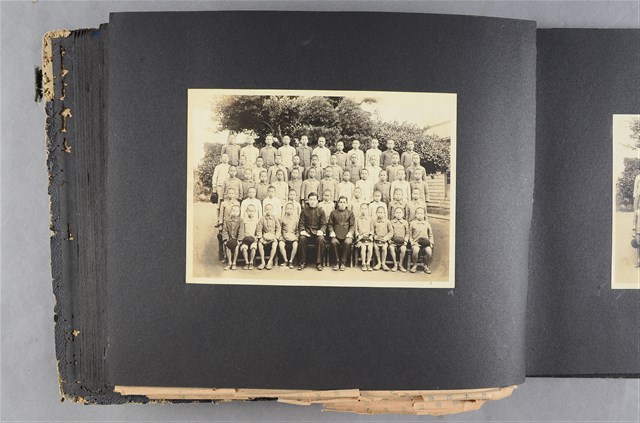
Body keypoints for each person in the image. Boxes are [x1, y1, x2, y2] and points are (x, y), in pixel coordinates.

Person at [297, 192, 327, 271]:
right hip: (307, 233)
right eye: (311, 199)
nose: (312, 201)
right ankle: (302, 262)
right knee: (302, 238)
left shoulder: (321, 211)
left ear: (317, 201)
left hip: (317, 233)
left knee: (321, 239)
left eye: (314, 200)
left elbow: (324, 224)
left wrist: (321, 230)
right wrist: (302, 230)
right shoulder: (304, 211)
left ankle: (319, 263)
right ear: (308, 201)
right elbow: (301, 223)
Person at [328, 196, 355, 271]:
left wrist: (350, 232)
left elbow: (352, 225)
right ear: (338, 203)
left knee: (348, 242)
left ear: (346, 204)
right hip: (336, 235)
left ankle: (343, 262)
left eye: (344, 202)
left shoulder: (350, 213)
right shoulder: (333, 213)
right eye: (341, 202)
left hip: (347, 235)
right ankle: (336, 262)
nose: (342, 204)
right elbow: (330, 224)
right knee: (334, 242)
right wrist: (331, 231)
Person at [410, 207, 434, 274]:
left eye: (421, 213)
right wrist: (412, 243)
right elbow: (410, 235)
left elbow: (430, 235)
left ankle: (425, 266)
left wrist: (430, 243)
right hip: (416, 243)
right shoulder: (412, 223)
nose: (420, 215)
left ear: (424, 215)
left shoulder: (427, 224)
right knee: (415, 250)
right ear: (415, 215)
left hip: (425, 244)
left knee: (429, 251)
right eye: (418, 213)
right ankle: (414, 265)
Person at [256, 204, 281, 270]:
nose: (268, 211)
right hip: (264, 237)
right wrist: (260, 237)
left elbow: (278, 228)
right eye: (267, 209)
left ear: (272, 210)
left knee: (275, 244)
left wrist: (276, 237)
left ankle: (270, 261)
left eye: (270, 209)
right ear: (264, 210)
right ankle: (263, 262)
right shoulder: (262, 219)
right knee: (260, 243)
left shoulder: (275, 218)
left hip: (273, 237)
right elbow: (259, 229)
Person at [222, 204, 244, 270]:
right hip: (229, 238)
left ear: (239, 213)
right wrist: (226, 239)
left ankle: (234, 263)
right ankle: (229, 263)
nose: (235, 212)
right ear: (230, 211)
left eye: (237, 211)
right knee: (228, 246)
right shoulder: (227, 220)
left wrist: (239, 240)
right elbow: (225, 230)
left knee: (236, 247)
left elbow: (241, 231)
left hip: (236, 239)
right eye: (233, 211)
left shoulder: (240, 220)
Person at [372, 205, 393, 271]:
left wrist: (386, 238)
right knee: (376, 247)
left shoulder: (387, 221)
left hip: (384, 240)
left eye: (381, 212)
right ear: (376, 213)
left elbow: (391, 232)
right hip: (377, 239)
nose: (380, 214)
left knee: (384, 248)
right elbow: (372, 231)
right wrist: (374, 236)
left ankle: (383, 263)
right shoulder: (374, 221)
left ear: (384, 213)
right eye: (378, 212)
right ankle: (379, 263)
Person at [279, 202, 299, 269]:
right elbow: (279, 229)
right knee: (281, 244)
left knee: (295, 245)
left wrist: (296, 237)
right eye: (287, 209)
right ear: (285, 210)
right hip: (284, 237)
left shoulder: (296, 219)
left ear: (293, 210)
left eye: (291, 209)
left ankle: (291, 261)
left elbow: (298, 230)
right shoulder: (282, 219)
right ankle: (285, 260)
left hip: (293, 237)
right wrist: (281, 236)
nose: (289, 210)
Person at [389, 207, 409, 272]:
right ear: (394, 214)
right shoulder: (391, 222)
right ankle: (395, 264)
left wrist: (405, 241)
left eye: (400, 213)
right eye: (397, 213)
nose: (398, 214)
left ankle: (400, 264)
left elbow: (407, 233)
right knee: (391, 248)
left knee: (403, 249)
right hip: (394, 241)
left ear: (403, 214)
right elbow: (390, 232)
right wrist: (390, 240)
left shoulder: (405, 222)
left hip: (402, 242)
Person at [355, 203, 374, 271]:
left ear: (367, 210)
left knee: (370, 248)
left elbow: (372, 229)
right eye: (362, 208)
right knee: (363, 248)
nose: (363, 210)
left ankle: (368, 263)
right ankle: (363, 263)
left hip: (368, 238)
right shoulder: (357, 219)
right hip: (361, 239)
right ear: (360, 210)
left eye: (365, 209)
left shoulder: (370, 219)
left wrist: (371, 235)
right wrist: (358, 236)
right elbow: (356, 229)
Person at [240, 204, 260, 270]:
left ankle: (251, 262)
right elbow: (241, 230)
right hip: (245, 238)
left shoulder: (257, 220)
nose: (250, 212)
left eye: (252, 211)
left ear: (255, 212)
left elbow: (258, 231)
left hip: (253, 238)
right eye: (249, 211)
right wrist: (242, 238)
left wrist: (256, 237)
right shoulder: (243, 220)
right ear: (246, 211)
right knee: (244, 248)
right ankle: (246, 262)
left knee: (253, 247)